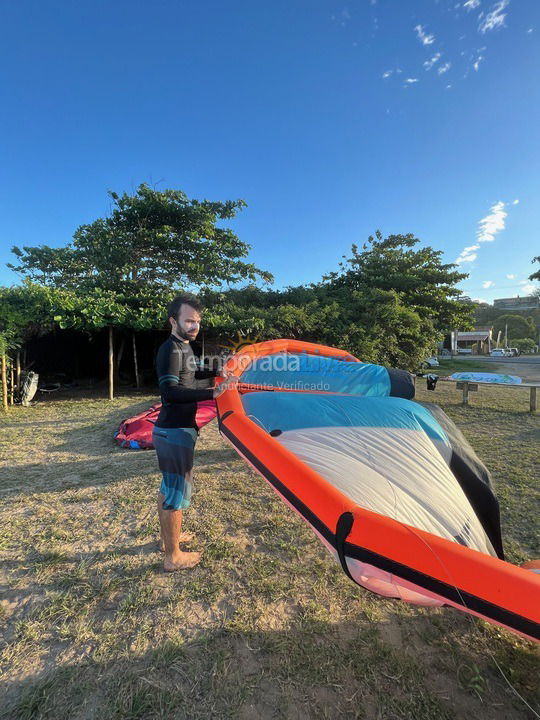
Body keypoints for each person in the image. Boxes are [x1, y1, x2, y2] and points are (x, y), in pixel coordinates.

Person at [153, 294, 237, 572]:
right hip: (174, 431)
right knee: (174, 494)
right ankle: (173, 556)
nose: (194, 325)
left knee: (169, 488)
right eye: (188, 320)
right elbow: (170, 391)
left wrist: (219, 370)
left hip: (177, 430)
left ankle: (168, 542)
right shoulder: (170, 350)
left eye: (197, 321)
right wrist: (212, 393)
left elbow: (194, 372)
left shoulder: (185, 348)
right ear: (173, 320)